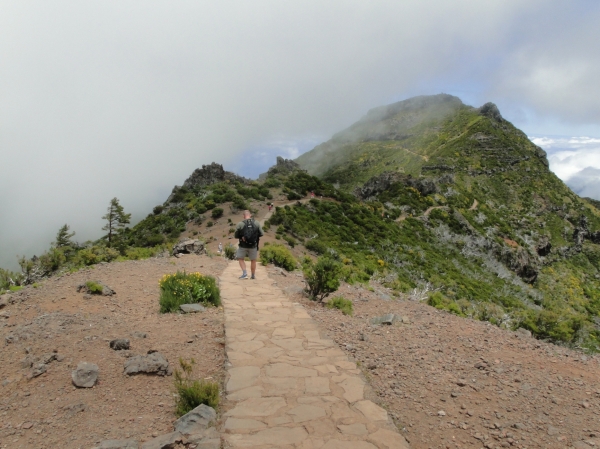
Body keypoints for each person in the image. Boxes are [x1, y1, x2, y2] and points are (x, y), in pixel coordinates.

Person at [234, 210, 264, 279]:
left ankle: (244, 273)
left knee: (240, 258)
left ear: (243, 216)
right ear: (250, 215)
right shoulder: (257, 223)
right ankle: (253, 275)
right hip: (253, 245)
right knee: (253, 260)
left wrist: (242, 237)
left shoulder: (240, 224)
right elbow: (262, 233)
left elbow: (236, 236)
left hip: (243, 245)